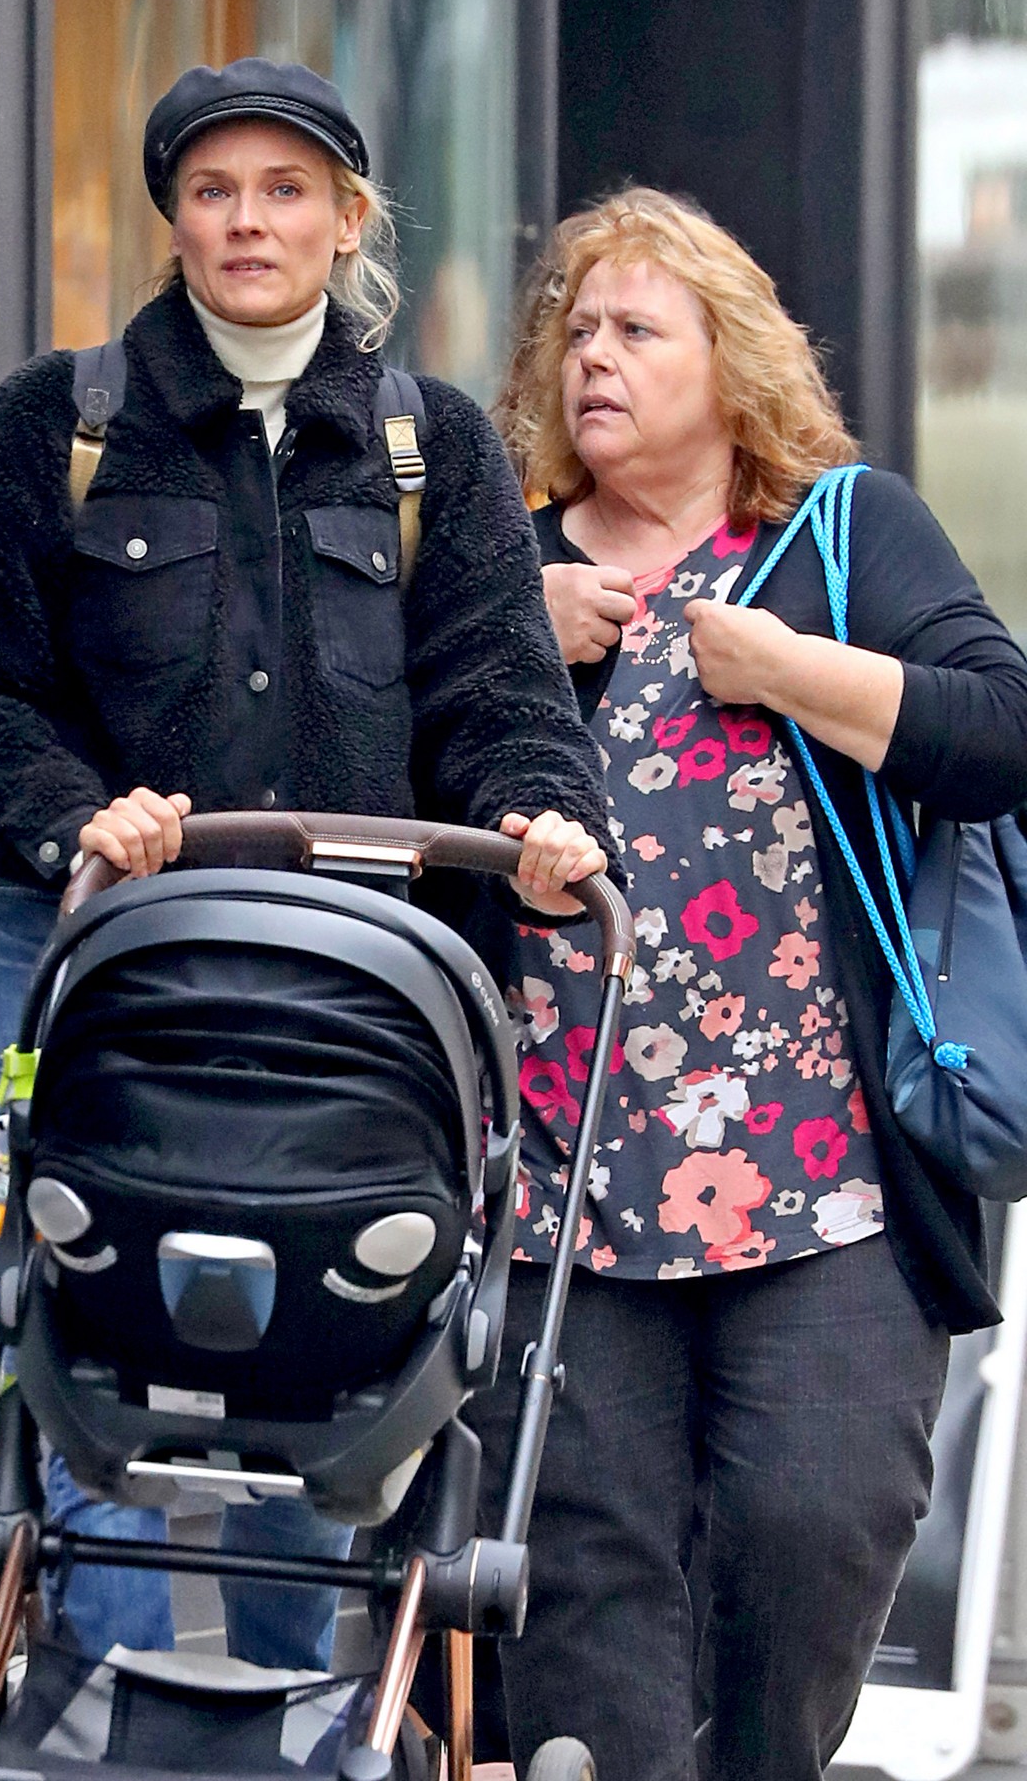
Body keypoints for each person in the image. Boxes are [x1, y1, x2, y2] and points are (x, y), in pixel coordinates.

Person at [0, 58, 612, 1667]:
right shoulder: (59, 426)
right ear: (173, 219)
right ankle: (95, 1711)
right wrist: (75, 813)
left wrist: (549, 827)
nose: (247, 222)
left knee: (337, 1354)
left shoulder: (433, 450)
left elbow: (501, 695)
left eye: (285, 190)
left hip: (352, 997)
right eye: (214, 191)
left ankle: (312, 1714)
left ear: (347, 218)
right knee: (101, 1345)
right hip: (103, 966)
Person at [463, 186, 1027, 1781]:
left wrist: (784, 665)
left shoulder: (845, 538)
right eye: (575, 331)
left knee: (817, 1524)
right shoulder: (501, 568)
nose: (596, 359)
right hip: (565, 1185)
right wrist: (519, 631)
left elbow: (1000, 731)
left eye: (640, 329)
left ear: (734, 362)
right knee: (583, 1590)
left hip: (824, 1181)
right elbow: (388, 796)